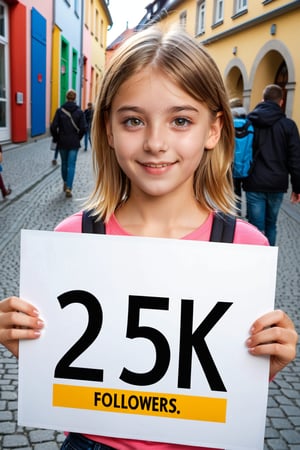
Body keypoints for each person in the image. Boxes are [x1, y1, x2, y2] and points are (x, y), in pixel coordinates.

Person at [0, 28, 298, 450]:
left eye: (180, 120)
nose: (156, 143)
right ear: (107, 129)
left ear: (213, 130)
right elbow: (66, 368)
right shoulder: (73, 239)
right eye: (134, 120)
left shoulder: (245, 249)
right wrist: (25, 343)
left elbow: (222, 380)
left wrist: (265, 361)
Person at [243, 84, 300, 245]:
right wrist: (297, 188)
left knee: (255, 227)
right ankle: (267, 261)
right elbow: (295, 159)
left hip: (254, 181)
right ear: (281, 102)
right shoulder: (289, 125)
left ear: (263, 99)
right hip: (277, 183)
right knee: (271, 225)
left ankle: (255, 262)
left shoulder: (250, 121)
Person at [50, 89, 87, 198]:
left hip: (62, 142)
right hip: (74, 142)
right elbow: (84, 128)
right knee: (71, 165)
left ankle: (65, 182)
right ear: (75, 98)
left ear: (66, 98)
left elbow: (53, 127)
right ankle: (69, 188)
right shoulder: (79, 112)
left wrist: (57, 138)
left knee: (64, 163)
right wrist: (78, 138)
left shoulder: (60, 111)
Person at [230, 98, 248, 215]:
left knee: (235, 191)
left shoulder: (228, 123)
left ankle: (237, 212)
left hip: (231, 164)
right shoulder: (250, 123)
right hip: (247, 165)